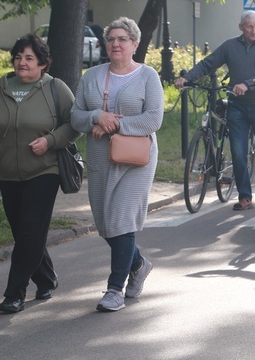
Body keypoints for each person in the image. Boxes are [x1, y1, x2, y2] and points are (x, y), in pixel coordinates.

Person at [0, 33, 81, 314]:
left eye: (29, 58)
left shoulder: (56, 89)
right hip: (8, 173)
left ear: (42, 63)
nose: (22, 62)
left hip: (45, 170)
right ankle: (46, 279)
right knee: (24, 233)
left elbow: (75, 124)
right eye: (18, 57)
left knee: (31, 231)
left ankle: (14, 294)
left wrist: (50, 141)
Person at [71, 17, 164, 312]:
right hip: (101, 158)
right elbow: (75, 116)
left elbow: (153, 120)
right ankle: (139, 264)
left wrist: (113, 124)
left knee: (121, 220)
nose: (116, 44)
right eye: (111, 39)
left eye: (123, 39)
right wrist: (96, 116)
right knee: (106, 225)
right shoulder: (91, 76)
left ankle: (115, 290)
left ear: (135, 44)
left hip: (136, 159)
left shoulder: (148, 76)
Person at [175, 10, 255, 211]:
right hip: (237, 106)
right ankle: (245, 196)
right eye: (249, 26)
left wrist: (247, 84)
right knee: (238, 153)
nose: (253, 31)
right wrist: (188, 78)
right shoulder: (230, 46)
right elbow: (208, 64)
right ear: (241, 27)